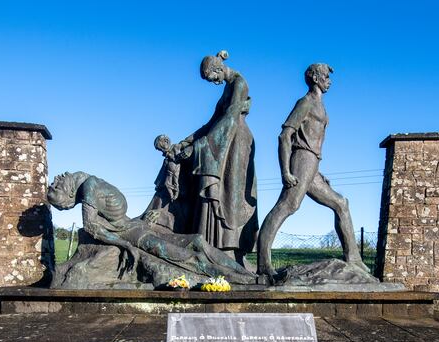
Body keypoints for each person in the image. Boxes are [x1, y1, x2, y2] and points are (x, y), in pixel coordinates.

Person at [47, 171, 256, 284]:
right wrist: (125, 245)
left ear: (66, 191)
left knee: (197, 242)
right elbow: (92, 227)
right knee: (190, 256)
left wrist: (142, 220)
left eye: (64, 204)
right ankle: (240, 280)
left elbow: (93, 224)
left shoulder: (89, 186)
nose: (69, 207)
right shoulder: (89, 186)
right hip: (135, 236)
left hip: (136, 227)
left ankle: (250, 277)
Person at [256, 63, 363, 278]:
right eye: (325, 76)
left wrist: (316, 171)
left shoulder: (321, 105)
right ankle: (263, 263)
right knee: (288, 205)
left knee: (341, 203)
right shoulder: (305, 103)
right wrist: (285, 171)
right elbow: (285, 136)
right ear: (315, 78)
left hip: (312, 163)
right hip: (302, 159)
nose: (329, 80)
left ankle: (354, 259)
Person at [178, 50, 258, 266]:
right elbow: (212, 122)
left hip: (236, 142)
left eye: (211, 77)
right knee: (221, 193)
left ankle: (230, 250)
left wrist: (200, 147)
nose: (212, 82)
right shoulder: (227, 88)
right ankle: (211, 246)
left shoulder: (239, 84)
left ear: (218, 69)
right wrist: (187, 141)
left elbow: (230, 118)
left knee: (230, 194)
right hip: (224, 138)